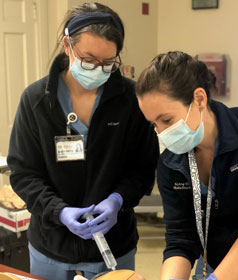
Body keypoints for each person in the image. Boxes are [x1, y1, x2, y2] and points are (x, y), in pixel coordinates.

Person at [7, 2, 159, 280]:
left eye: (108, 63)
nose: (97, 70)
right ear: (67, 45)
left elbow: (143, 167)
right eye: (88, 60)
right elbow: (24, 173)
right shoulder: (37, 101)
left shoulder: (130, 100)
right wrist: (59, 211)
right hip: (51, 248)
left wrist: (117, 199)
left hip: (115, 246)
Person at [135, 51, 238, 280]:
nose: (161, 133)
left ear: (199, 99)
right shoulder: (171, 163)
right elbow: (181, 236)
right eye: (153, 124)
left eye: (167, 120)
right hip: (213, 266)